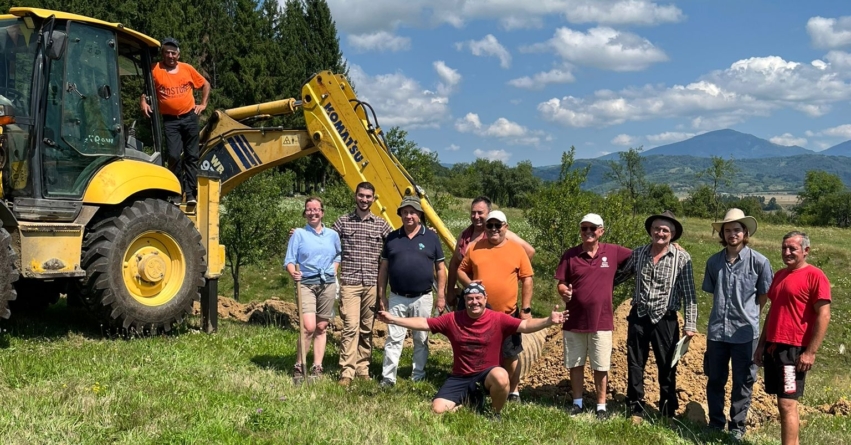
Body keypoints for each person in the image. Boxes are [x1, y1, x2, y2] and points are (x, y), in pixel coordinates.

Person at [377, 282, 568, 419]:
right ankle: (472, 402)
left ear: (485, 299)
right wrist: (394, 319)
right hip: (460, 376)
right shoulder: (453, 319)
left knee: (502, 376)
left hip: (487, 374)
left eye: (478, 298)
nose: (474, 302)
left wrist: (548, 321)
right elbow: (424, 323)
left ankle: (495, 413)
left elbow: (525, 326)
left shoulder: (498, 319)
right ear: (465, 301)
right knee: (437, 410)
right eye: (470, 299)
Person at [754, 231, 831, 445]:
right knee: (782, 402)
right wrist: (762, 344)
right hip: (774, 346)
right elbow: (773, 312)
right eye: (784, 248)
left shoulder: (815, 276)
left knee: (787, 403)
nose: (786, 253)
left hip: (794, 349)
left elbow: (824, 315)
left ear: (806, 251)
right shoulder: (780, 275)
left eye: (792, 249)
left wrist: (810, 352)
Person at [702, 209, 773, 441]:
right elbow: (713, 292)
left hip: (745, 333)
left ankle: (737, 426)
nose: (732, 234)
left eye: (737, 230)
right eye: (728, 230)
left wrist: (752, 315)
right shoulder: (713, 262)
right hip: (717, 332)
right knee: (715, 379)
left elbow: (763, 296)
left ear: (745, 232)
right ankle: (715, 422)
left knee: (743, 381)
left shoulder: (759, 262)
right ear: (722, 233)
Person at [555, 213, 633, 419]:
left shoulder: (613, 252)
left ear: (601, 231)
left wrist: (671, 245)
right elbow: (561, 282)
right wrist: (562, 290)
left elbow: (641, 254)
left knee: (600, 365)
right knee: (576, 363)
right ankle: (577, 403)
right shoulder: (570, 255)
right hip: (574, 319)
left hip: (602, 320)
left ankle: (601, 406)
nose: (588, 232)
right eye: (584, 228)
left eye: (592, 228)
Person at [620, 210, 697, 417]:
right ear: (650, 231)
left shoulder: (682, 258)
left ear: (672, 234)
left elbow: (690, 293)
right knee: (635, 362)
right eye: (656, 229)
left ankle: (667, 410)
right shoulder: (638, 254)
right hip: (639, 316)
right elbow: (620, 276)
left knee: (668, 365)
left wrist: (690, 324)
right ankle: (635, 407)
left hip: (666, 318)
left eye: (665, 230)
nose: (660, 233)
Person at [457, 210, 533, 402]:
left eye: (497, 225)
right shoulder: (475, 247)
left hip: (507, 313)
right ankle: (477, 385)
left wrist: (525, 309)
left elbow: (527, 279)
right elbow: (461, 271)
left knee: (510, 354)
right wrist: (471, 286)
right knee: (477, 352)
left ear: (505, 227)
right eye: (489, 225)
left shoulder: (517, 250)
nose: (493, 229)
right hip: (480, 314)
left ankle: (513, 390)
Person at [377, 196, 446, 387]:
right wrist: (382, 295)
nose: (409, 216)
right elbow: (383, 269)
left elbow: (440, 269)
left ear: (419, 215)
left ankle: (418, 375)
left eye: (413, 212)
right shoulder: (392, 237)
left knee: (421, 338)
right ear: (400, 214)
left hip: (423, 297)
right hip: (398, 296)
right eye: (405, 212)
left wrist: (441, 296)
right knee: (394, 337)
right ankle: (388, 377)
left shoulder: (431, 237)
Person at [332, 182, 392, 386]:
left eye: (368, 196)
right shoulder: (343, 222)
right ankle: (346, 372)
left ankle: (362, 367)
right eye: (361, 196)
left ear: (374, 199)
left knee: (367, 328)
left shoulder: (381, 224)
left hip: (372, 284)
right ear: (355, 196)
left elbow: (398, 242)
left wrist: (424, 232)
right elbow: (324, 240)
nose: (364, 200)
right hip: (350, 282)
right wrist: (302, 234)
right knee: (350, 327)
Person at [141, 37, 211, 205]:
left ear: (178, 54)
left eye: (173, 53)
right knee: (173, 156)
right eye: (167, 53)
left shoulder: (187, 69)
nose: (170, 56)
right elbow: (146, 89)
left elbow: (205, 84)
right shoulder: (155, 69)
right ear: (163, 53)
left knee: (192, 156)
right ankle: (175, 191)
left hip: (189, 118)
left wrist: (203, 104)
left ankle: (190, 193)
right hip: (170, 121)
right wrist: (143, 101)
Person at [284, 197, 341, 382]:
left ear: (322, 212)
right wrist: (293, 273)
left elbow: (338, 255)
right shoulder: (298, 234)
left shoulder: (332, 235)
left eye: (316, 209)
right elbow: (290, 260)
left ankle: (317, 366)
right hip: (306, 284)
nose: (313, 212)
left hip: (327, 283)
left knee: (321, 326)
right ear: (305, 213)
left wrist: (333, 269)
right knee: (308, 327)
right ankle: (299, 365)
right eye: (309, 209)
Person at [446, 196, 534, 309]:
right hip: (470, 295)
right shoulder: (464, 235)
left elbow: (530, 251)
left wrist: (510, 275)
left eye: (480, 213)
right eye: (473, 213)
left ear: (489, 213)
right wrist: (450, 291)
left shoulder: (501, 233)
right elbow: (455, 264)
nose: (476, 216)